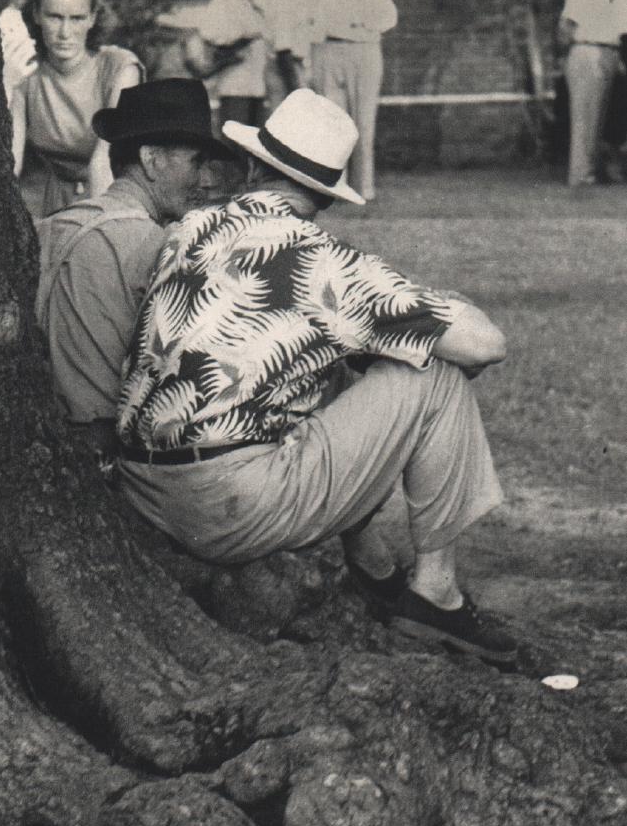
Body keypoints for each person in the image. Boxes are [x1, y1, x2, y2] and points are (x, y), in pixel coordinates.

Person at [116, 89, 516, 665]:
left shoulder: (192, 227)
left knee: (327, 361)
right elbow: (486, 343)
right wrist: (430, 313)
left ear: (253, 166)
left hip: (142, 490)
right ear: (325, 197)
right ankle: (437, 594)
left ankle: (373, 564)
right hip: (228, 506)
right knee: (434, 375)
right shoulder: (326, 262)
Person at [34, 78, 236, 453]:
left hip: (41, 443)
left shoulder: (50, 226)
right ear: (151, 159)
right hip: (111, 452)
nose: (206, 180)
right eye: (196, 162)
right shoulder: (160, 245)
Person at [11, 0, 143, 217]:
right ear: (36, 14)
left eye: (77, 18)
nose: (64, 32)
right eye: (54, 17)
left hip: (111, 198)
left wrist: (94, 230)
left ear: (92, 18)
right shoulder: (26, 76)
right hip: (46, 202)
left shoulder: (120, 68)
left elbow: (103, 160)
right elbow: (10, 164)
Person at [312, 0, 397, 201]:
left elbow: (388, 17)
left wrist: (360, 23)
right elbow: (310, 19)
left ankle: (364, 187)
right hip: (328, 51)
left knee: (363, 120)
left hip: (362, 50)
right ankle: (336, 185)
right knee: (333, 120)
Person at [559, 0, 623, 188]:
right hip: (587, 50)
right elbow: (566, 26)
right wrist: (571, 53)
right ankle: (580, 175)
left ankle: (590, 172)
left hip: (606, 51)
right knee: (585, 116)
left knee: (597, 117)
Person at [199, 0, 269, 127]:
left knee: (255, 133)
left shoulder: (262, 1)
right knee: (234, 128)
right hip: (234, 74)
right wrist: (241, 35)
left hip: (259, 77)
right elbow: (208, 31)